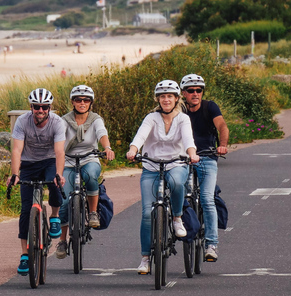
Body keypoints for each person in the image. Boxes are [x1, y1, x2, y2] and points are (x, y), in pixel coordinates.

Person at [126, 80, 199, 274]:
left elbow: (188, 139)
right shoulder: (151, 117)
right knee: (146, 214)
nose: (166, 99)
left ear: (177, 99)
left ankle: (176, 218)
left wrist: (192, 154)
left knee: (176, 182)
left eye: (170, 96)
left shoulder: (183, 119)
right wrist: (133, 149)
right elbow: (140, 136)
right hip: (151, 166)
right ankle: (145, 258)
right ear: (158, 99)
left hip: (176, 163)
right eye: (162, 96)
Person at [9, 88, 66, 276]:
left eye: (44, 107)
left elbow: (59, 152)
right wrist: (15, 174)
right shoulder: (22, 121)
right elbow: (17, 150)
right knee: (26, 209)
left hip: (49, 161)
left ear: (49, 108)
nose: (40, 110)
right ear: (31, 107)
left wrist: (59, 174)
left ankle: (55, 216)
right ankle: (25, 255)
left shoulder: (58, 123)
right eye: (36, 107)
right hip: (28, 163)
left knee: (55, 183)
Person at [55, 85, 115, 259]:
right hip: (68, 161)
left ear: (91, 102)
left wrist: (107, 148)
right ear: (72, 102)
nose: (82, 103)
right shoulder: (63, 120)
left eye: (86, 100)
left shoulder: (96, 119)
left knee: (90, 176)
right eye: (78, 100)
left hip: (89, 158)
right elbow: (58, 139)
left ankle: (93, 213)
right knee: (65, 201)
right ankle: (62, 240)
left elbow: (102, 133)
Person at [180, 73, 229, 262]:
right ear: (183, 93)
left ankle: (211, 244)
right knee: (180, 194)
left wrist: (222, 145)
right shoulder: (179, 110)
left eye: (198, 90)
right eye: (191, 91)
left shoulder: (210, 107)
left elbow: (222, 126)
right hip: (183, 158)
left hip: (207, 157)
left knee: (207, 199)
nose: (195, 94)